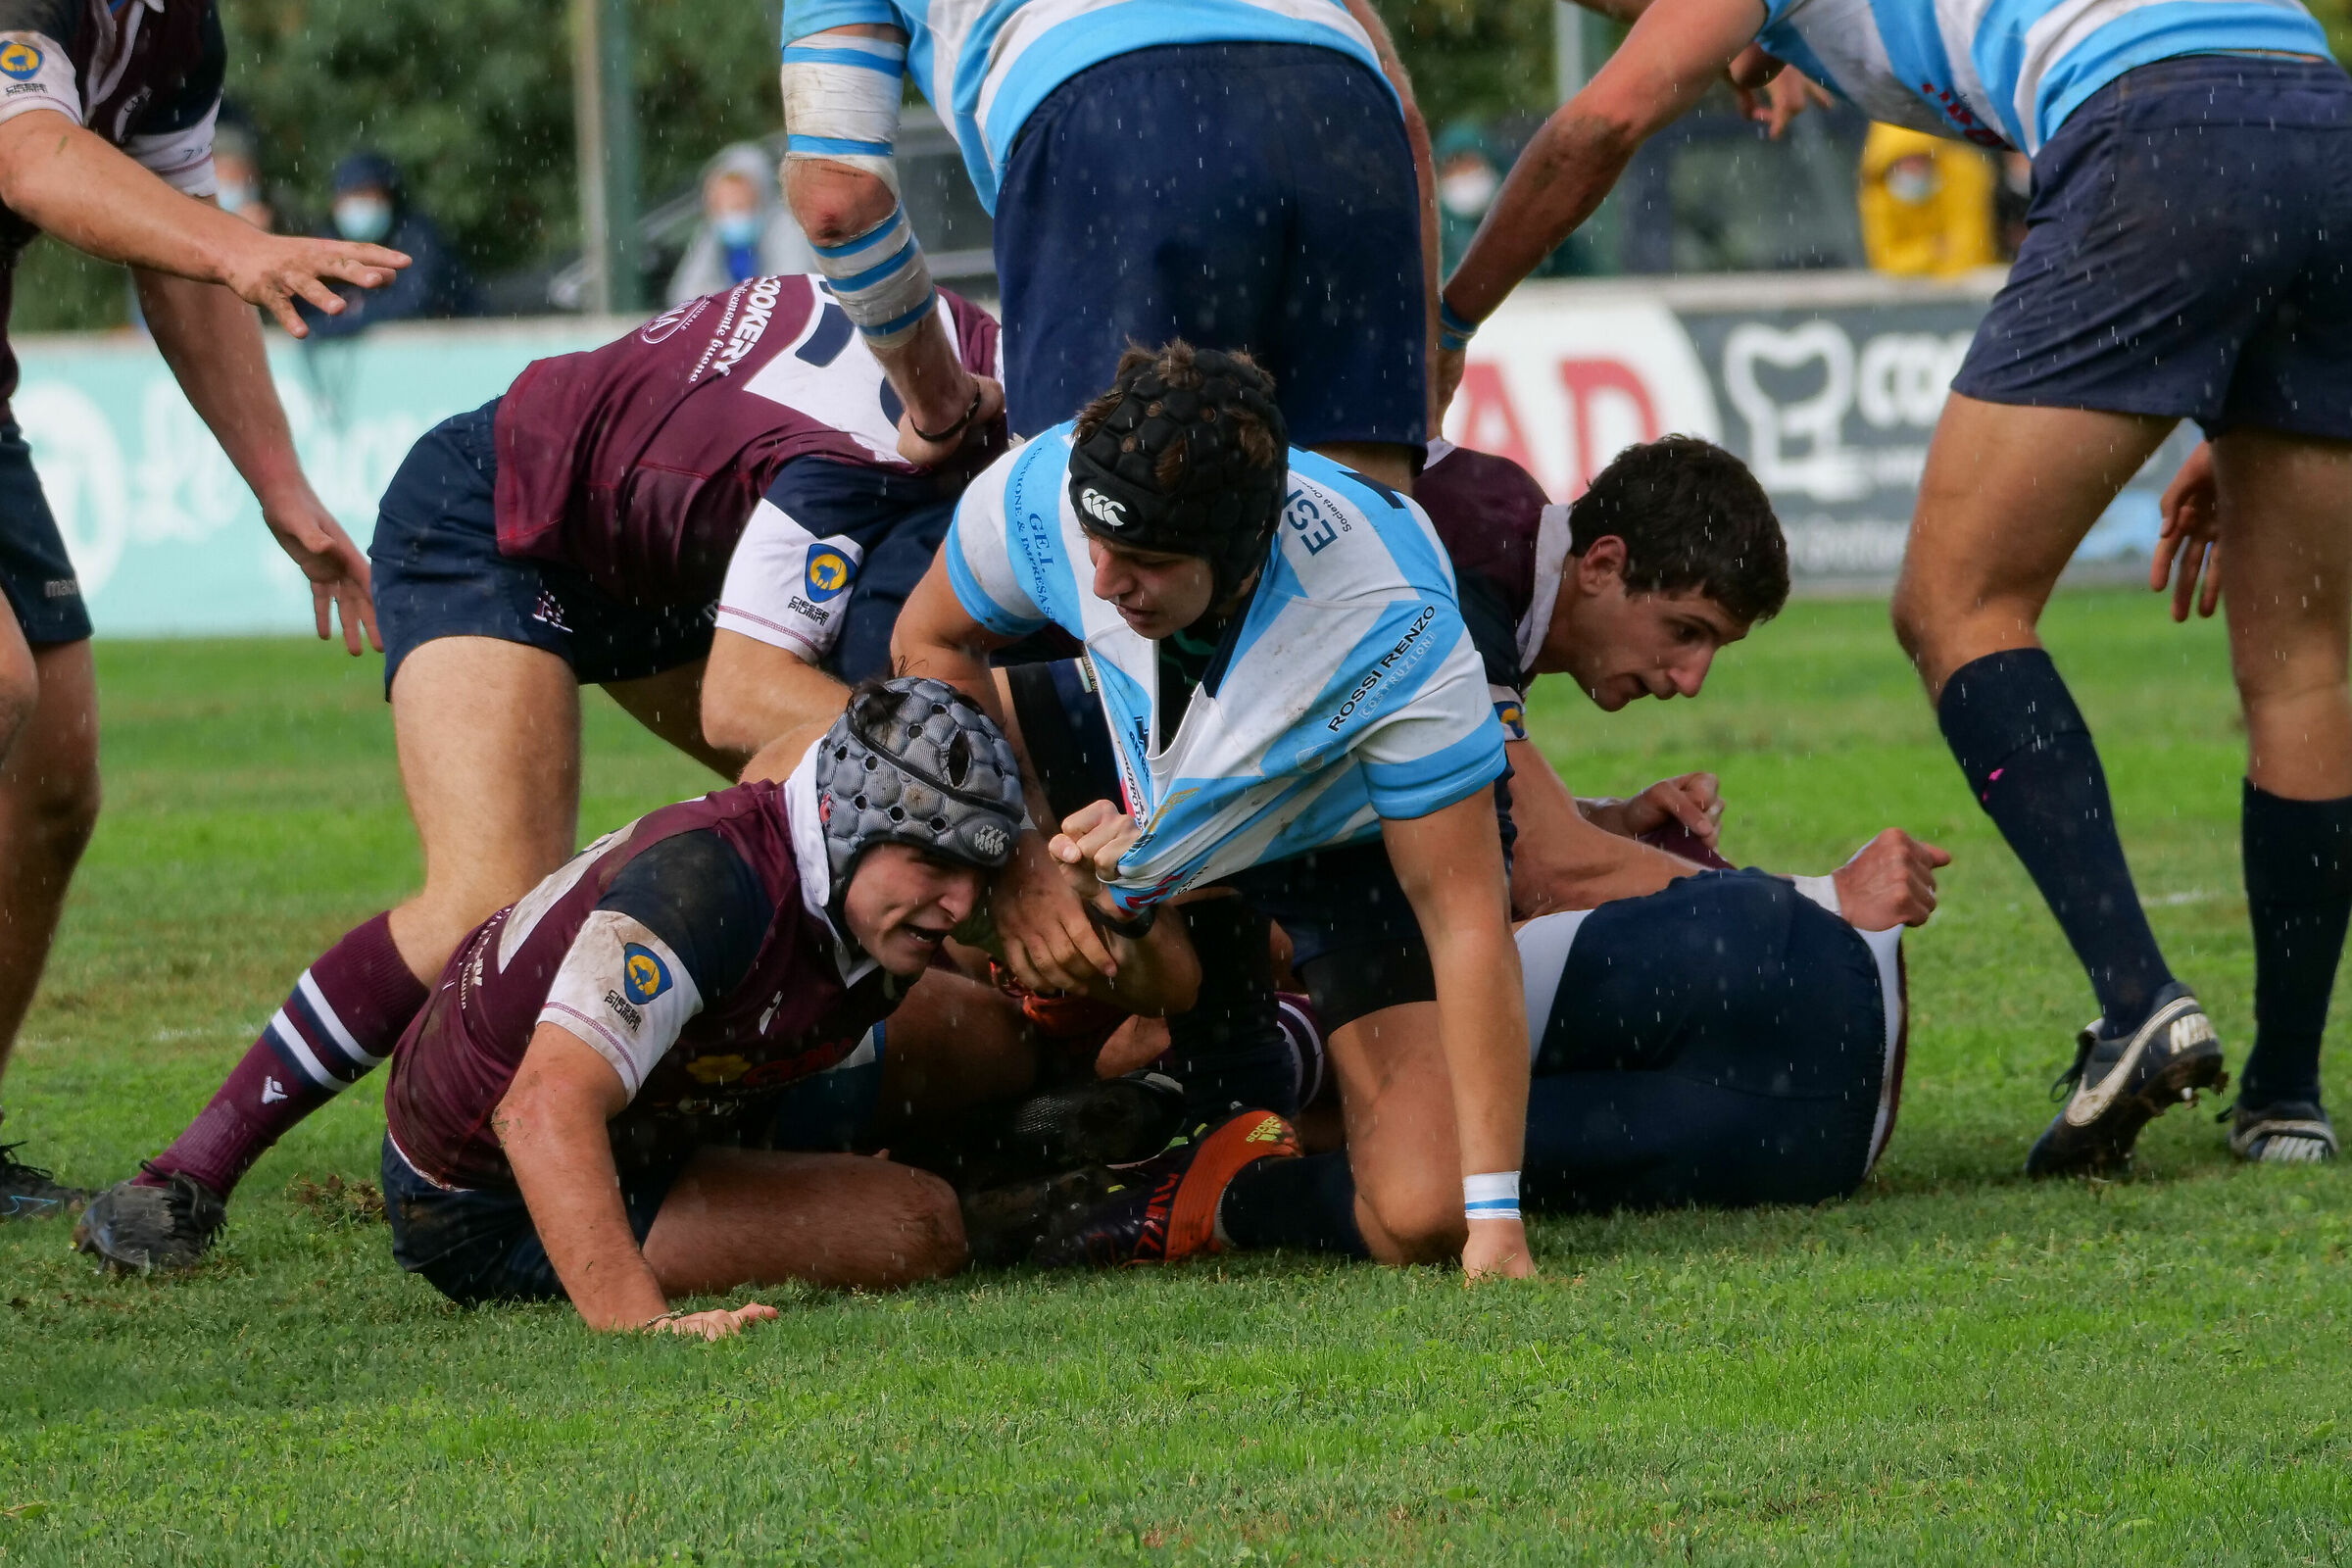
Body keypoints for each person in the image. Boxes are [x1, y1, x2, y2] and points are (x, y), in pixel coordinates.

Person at [1431, 0, 2347, 1173]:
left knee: (1955, 606)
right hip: (2318, 123)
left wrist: (1451, 317)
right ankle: (2285, 1098)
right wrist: (2246, 379)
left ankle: (2137, 1002)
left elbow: (1600, 121)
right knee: (2303, 671)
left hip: (2158, 124)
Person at [73, 274, 1005, 1270]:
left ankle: (824, 1110)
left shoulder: (969, 368)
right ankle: (187, 1172)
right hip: (497, 521)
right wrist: (1002, 827)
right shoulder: (888, 456)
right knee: (486, 897)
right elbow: (745, 697)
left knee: (843, 839)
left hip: (666, 555)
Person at [892, 342, 1536, 1278]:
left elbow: (1465, 917)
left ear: (1236, 556)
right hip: (1146, 772)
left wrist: (1498, 1221)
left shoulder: (1392, 623)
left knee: (1424, 1212)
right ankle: (987, 1118)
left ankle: (1202, 1187)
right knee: (872, 778)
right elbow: (930, 639)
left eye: (1146, 562)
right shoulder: (1049, 485)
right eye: (1097, 545)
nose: (1104, 582)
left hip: (1342, 836)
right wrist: (1019, 858)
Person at [0, 0, 407, 1219]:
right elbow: (29, 157)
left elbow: (175, 270)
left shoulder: (179, 28)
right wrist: (231, 246)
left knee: (57, 773)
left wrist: (285, 493)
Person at [381, 678, 1028, 1336]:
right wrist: (642, 1325)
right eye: (931, 863)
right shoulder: (704, 891)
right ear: (846, 822)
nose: (956, 903)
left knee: (994, 1037)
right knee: (917, 1225)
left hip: (672, 1106)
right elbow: (540, 1106)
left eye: (976, 874)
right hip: (492, 1196)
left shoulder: (842, 874)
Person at [775, 0, 1436, 492]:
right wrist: (1435, 352)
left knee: (1120, 554)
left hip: (1113, 116)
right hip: (1342, 100)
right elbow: (1407, 117)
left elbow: (838, 196)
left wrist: (937, 402)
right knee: (1364, 556)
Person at [294, 151, 476, 338]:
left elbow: (414, 301)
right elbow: (306, 303)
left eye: (366, 194)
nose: (358, 205)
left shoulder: (418, 238)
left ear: (389, 197)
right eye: (350, 195)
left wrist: (349, 317)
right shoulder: (327, 242)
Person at [667, 143, 820, 305]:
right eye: (720, 204)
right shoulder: (713, 233)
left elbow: (790, 290)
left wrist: (722, 303)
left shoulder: (787, 227)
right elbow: (683, 293)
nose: (730, 213)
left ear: (760, 196)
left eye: (738, 203)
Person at [1855, 124, 1996, 279]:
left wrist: (1926, 268)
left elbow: (1970, 250)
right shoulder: (1876, 196)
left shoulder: (1962, 177)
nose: (1913, 168)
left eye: (1919, 158)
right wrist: (1932, 250)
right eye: (1904, 161)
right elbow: (1885, 262)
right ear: (1887, 164)